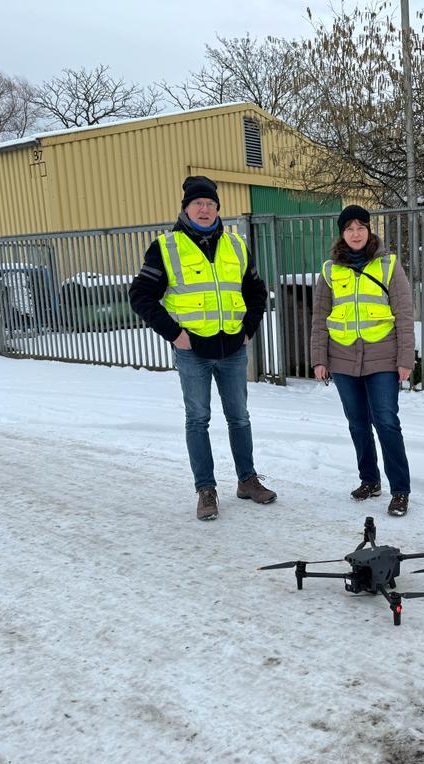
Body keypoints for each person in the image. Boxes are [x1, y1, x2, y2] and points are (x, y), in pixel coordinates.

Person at [129, 175, 277, 521]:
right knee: (198, 419)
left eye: (211, 203)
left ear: (217, 208)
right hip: (192, 351)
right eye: (199, 203)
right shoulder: (166, 246)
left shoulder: (236, 245)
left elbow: (257, 291)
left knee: (239, 417)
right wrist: (173, 333)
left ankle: (246, 480)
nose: (206, 209)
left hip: (233, 349)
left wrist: (248, 329)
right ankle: (206, 489)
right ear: (186, 208)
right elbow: (140, 295)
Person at [310, 204, 415, 516]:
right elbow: (320, 318)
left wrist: (405, 358)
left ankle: (400, 490)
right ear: (342, 234)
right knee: (357, 423)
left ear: (370, 230)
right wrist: (319, 358)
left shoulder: (388, 264)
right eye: (349, 228)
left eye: (360, 227)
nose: (355, 233)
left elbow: (404, 314)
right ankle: (370, 480)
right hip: (341, 359)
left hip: (383, 357)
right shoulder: (330, 270)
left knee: (386, 421)